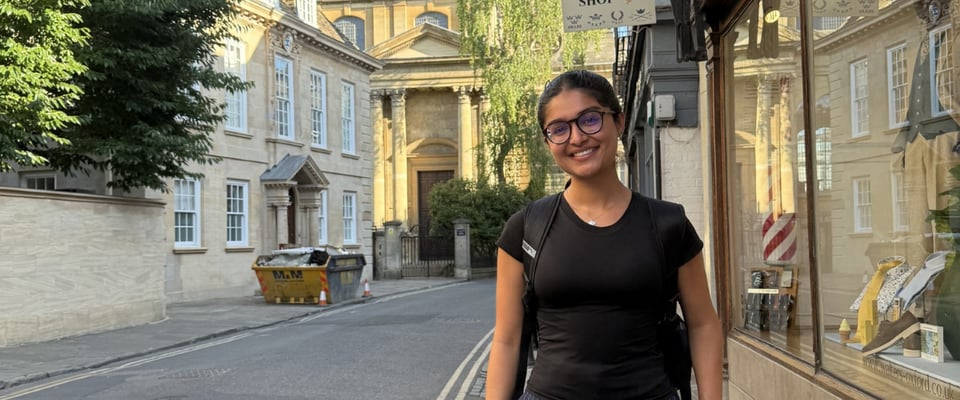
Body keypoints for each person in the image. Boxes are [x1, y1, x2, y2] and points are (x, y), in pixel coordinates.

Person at [485, 70, 723, 400]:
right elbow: (507, 339)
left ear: (619, 121)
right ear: (548, 142)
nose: (577, 137)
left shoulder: (668, 224)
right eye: (559, 129)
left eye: (590, 120)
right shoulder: (526, 228)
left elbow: (703, 324)